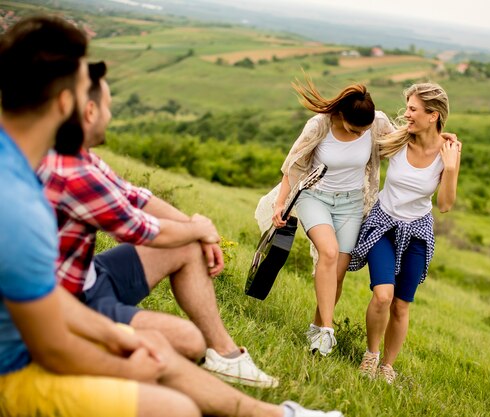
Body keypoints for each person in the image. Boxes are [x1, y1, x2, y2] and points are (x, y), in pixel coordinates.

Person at [0, 15, 344, 417]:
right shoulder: (22, 203)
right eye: (82, 91)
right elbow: (52, 344)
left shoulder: (25, 170)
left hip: (60, 308)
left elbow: (48, 297)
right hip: (17, 367)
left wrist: (114, 334)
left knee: (164, 350)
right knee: (175, 404)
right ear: (67, 104)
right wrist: (123, 360)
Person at [37, 61, 277, 388]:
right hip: (74, 305)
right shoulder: (73, 173)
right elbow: (144, 230)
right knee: (188, 342)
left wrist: (198, 232)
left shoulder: (82, 157)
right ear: (90, 112)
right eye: (108, 107)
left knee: (187, 243)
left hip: (90, 275)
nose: (110, 115)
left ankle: (226, 355)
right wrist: (200, 227)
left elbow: (136, 196)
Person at [261, 77, 394, 357]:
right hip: (314, 196)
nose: (359, 136)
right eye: (353, 130)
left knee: (338, 274)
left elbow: (402, 140)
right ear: (341, 116)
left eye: (364, 132)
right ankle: (327, 331)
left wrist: (437, 136)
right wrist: (280, 203)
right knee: (329, 253)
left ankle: (316, 326)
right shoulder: (319, 125)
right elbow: (294, 165)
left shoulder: (377, 122)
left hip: (351, 204)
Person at [349, 82, 461, 384]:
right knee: (383, 295)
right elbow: (360, 130)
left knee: (401, 304)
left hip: (418, 232)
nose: (407, 114)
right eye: (408, 107)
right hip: (383, 223)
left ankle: (388, 366)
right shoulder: (398, 140)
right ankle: (370, 357)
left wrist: (449, 169)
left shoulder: (448, 153)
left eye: (413, 109)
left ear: (433, 115)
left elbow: (446, 205)